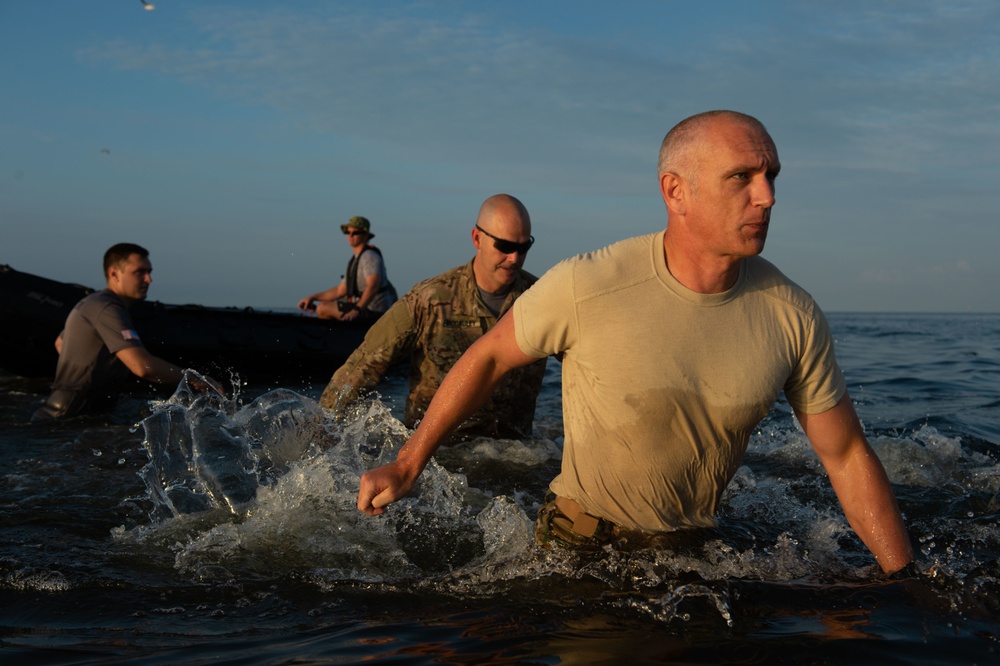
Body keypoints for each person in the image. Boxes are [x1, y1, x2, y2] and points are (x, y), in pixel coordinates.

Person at [355, 111, 916, 577]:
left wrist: (904, 581)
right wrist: (408, 465)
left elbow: (845, 455)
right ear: (676, 191)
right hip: (577, 551)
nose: (766, 196)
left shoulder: (793, 315)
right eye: (741, 177)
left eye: (771, 175)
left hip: (695, 557)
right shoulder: (588, 283)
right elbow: (490, 356)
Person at [320, 194, 546, 440]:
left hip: (514, 454)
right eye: (504, 246)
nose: (514, 258)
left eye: (524, 247)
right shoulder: (428, 300)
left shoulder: (540, 301)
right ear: (477, 238)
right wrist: (322, 428)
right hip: (435, 454)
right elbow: (362, 365)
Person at [34, 243, 221, 420]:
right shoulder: (108, 308)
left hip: (68, 408)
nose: (149, 279)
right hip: (73, 414)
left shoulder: (94, 302)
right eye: (139, 272)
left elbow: (60, 343)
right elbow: (141, 367)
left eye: (149, 272)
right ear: (114, 273)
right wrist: (197, 380)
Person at [297, 216, 397, 322]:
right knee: (322, 307)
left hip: (374, 311)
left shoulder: (369, 256)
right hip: (362, 309)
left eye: (355, 233)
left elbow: (373, 286)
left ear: (366, 235)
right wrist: (312, 297)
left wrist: (356, 311)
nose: (350, 236)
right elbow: (340, 291)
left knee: (323, 308)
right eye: (348, 232)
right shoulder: (355, 260)